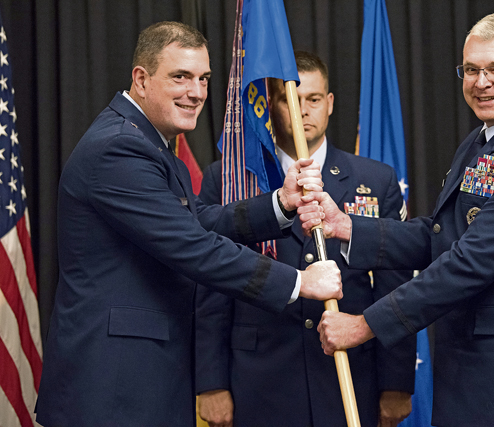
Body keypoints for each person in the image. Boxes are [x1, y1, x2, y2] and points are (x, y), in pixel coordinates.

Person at [303, 12, 494, 427]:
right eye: (471, 69)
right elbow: (444, 236)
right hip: (476, 370)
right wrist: (348, 227)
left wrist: (365, 325)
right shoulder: (488, 137)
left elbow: (471, 260)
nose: (481, 82)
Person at [35, 22, 343, 427]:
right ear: (141, 80)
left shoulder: (150, 143)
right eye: (180, 77)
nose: (196, 92)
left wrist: (281, 204)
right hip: (114, 386)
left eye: (203, 79)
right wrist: (300, 282)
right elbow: (193, 246)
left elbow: (197, 221)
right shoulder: (119, 148)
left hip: (142, 378)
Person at [195, 51, 416, 427]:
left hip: (348, 376)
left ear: (329, 103)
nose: (303, 111)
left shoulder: (376, 180)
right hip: (259, 379)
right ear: (270, 106)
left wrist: (396, 384)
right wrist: (212, 383)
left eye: (313, 99)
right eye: (290, 100)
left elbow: (395, 286)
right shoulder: (232, 179)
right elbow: (211, 285)